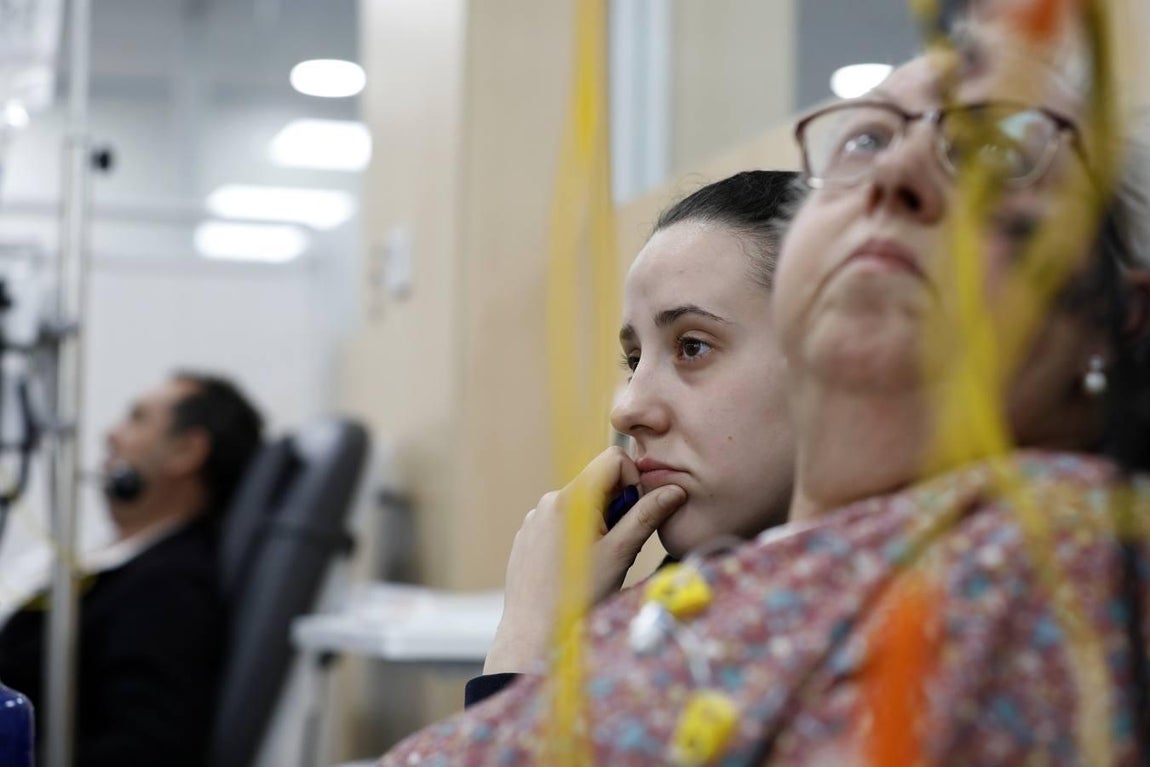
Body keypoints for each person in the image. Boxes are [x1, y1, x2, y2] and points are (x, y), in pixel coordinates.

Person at [381, 8, 1150, 766]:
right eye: (866, 140)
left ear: (1121, 319)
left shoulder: (1051, 559)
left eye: (992, 154)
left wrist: (522, 661)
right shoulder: (707, 589)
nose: (896, 172)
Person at [470, 171, 801, 704]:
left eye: (691, 347)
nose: (625, 410)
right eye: (634, 360)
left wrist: (524, 649)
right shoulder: (678, 619)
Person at [0, 371, 264, 767]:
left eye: (137, 418)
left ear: (187, 452)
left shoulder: (168, 590)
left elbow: (144, 750)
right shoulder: (121, 561)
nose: (112, 435)